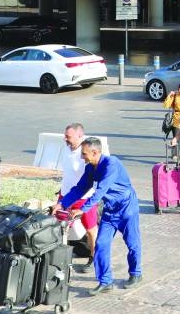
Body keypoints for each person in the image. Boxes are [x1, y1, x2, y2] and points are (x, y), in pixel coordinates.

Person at [52, 137, 142, 295]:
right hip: (110, 210)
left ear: (95, 152)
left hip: (127, 208)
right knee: (101, 244)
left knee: (132, 243)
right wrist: (62, 204)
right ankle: (105, 281)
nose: (82, 157)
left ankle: (136, 273)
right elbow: (80, 188)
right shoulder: (90, 169)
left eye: (84, 154)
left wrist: (84, 209)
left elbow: (101, 190)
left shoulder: (111, 164)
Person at [56, 123, 99, 272]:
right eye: (65, 136)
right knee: (60, 227)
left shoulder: (87, 152)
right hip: (66, 195)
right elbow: (67, 172)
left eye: (68, 137)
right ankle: (60, 257)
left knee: (91, 230)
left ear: (80, 136)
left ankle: (93, 258)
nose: (65, 139)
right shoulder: (66, 149)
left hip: (84, 197)